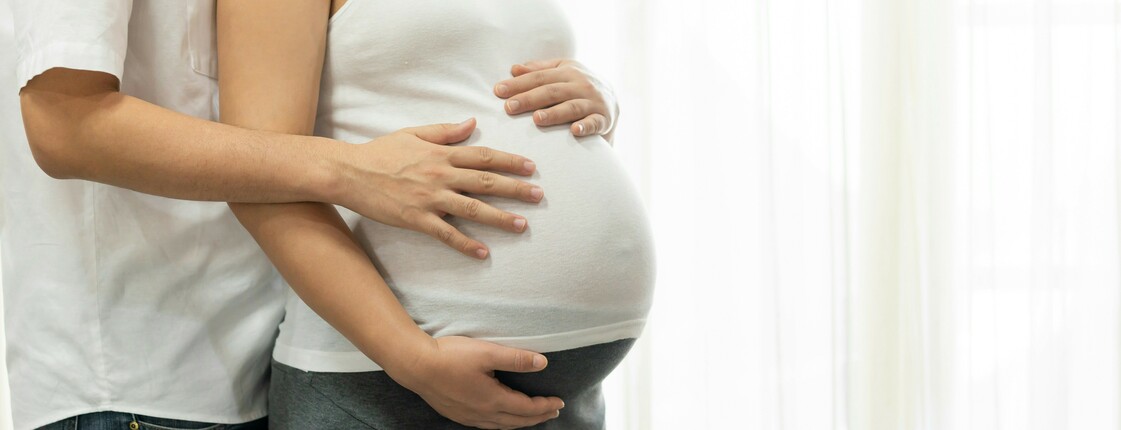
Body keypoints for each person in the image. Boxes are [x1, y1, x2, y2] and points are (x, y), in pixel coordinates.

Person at [6, 1, 585, 428]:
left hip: (275, 347)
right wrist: (352, 170)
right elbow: (65, 126)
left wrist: (595, 101)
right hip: (143, 386)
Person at [216, 1, 656, 428]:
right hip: (380, 381)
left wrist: (600, 106)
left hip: (567, 403)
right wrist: (410, 358)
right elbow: (260, 180)